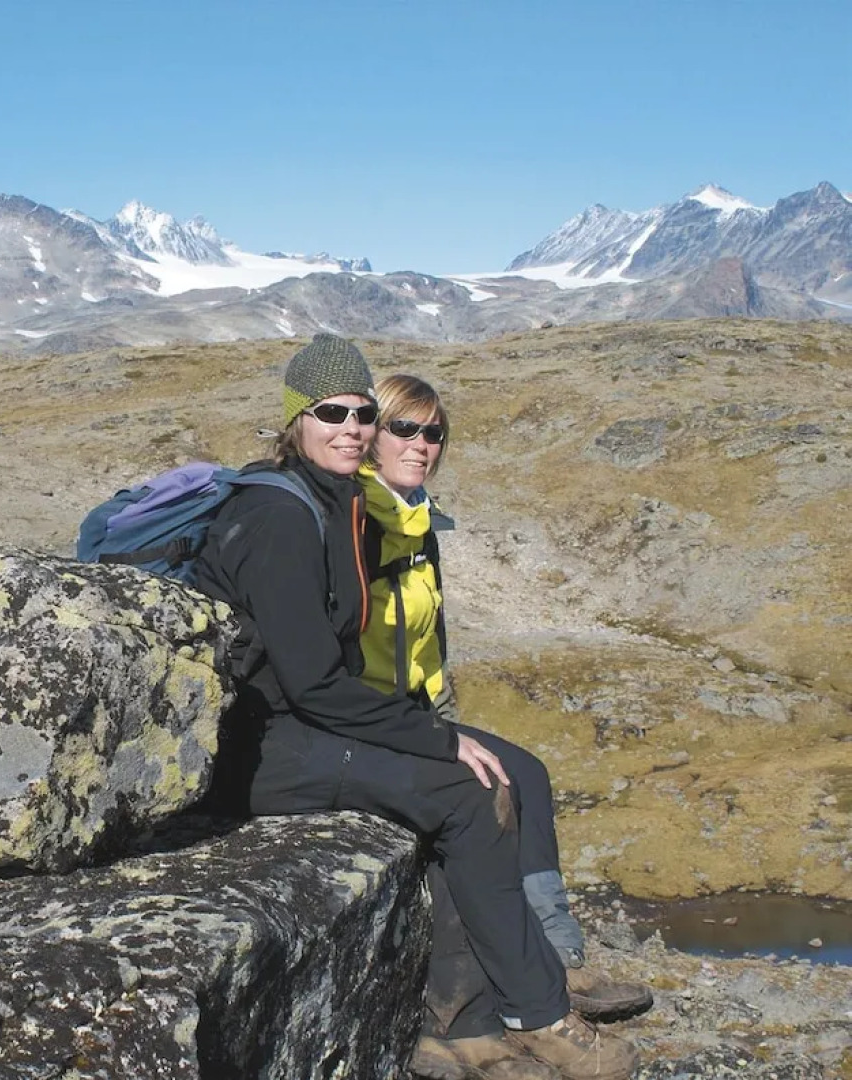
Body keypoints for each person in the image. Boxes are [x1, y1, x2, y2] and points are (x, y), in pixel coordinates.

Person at [196, 333, 638, 1080]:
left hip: (291, 728)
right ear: (296, 418)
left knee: (493, 774)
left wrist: (427, 734)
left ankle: (518, 997)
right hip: (258, 746)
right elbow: (313, 684)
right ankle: (525, 1018)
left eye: (363, 413)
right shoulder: (282, 519)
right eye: (333, 412)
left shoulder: (318, 501)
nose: (353, 428)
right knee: (465, 789)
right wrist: (432, 740)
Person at [355, 374, 652, 1077]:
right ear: (372, 432)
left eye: (434, 433)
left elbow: (423, 647)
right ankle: (477, 1011)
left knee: (528, 771)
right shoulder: (357, 518)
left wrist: (444, 720)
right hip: (369, 727)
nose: (423, 445)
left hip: (414, 715)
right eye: (406, 428)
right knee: (478, 795)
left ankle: (555, 954)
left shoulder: (415, 515)